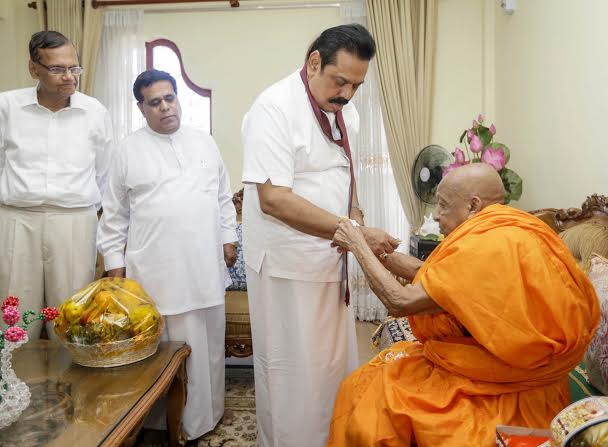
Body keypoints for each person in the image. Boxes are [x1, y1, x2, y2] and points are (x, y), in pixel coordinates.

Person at [327, 163, 600, 447]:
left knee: (370, 402)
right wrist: (379, 255)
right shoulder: (511, 226)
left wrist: (357, 244)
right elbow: (444, 280)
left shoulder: (488, 243)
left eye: (443, 206)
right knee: (374, 379)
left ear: (472, 206)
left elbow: (399, 301)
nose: (436, 215)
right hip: (516, 371)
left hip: (505, 390)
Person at [241, 24, 400, 447]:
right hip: (285, 263)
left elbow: (346, 176)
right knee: (292, 373)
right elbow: (273, 199)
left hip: (331, 257)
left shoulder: (347, 110)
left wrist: (355, 219)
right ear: (314, 63)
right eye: (340, 80)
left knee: (332, 366)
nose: (347, 93)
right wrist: (355, 232)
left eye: (357, 84)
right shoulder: (272, 108)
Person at [97, 69, 237, 442]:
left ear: (178, 99)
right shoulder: (127, 149)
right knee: (164, 350)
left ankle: (210, 413)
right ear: (141, 108)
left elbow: (223, 197)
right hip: (157, 270)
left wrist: (228, 239)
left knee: (207, 344)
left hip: (205, 265)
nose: (164, 107)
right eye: (154, 102)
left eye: (169, 98)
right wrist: (115, 264)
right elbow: (114, 213)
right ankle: (164, 421)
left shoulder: (204, 142)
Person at [0, 31, 113, 337]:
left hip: (75, 220)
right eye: (57, 69)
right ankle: (14, 383)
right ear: (33, 68)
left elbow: (103, 171)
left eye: (74, 68)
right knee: (15, 312)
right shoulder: (7, 107)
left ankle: (70, 385)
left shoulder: (94, 112)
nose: (69, 77)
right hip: (16, 218)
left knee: (71, 313)